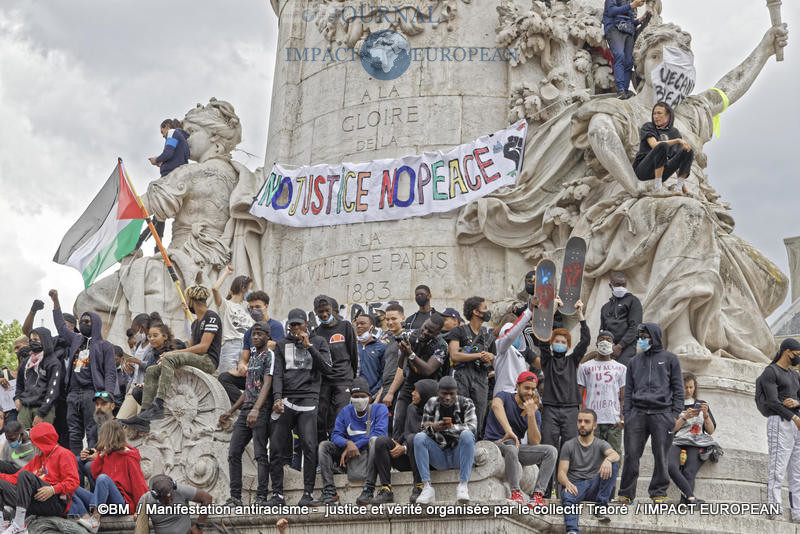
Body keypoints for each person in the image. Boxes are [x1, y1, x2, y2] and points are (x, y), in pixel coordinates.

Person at [120, 285, 221, 431]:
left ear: (191, 301)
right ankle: (145, 414)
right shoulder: (196, 324)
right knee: (152, 370)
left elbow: (204, 347)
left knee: (168, 358)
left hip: (208, 361)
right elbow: (190, 350)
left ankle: (159, 403)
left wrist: (173, 354)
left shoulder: (211, 317)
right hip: (196, 359)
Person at [268, 309, 333, 507]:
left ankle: (307, 493)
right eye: (293, 325)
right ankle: (277, 494)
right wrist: (277, 397)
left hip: (309, 400)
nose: (296, 328)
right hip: (286, 400)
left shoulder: (319, 341)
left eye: (299, 324)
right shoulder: (281, 345)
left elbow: (328, 369)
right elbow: (277, 373)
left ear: (306, 323)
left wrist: (309, 346)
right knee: (277, 447)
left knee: (309, 446)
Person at [617, 323, 683, 504]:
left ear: (654, 337)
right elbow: (628, 391)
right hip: (636, 414)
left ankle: (658, 493)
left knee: (661, 455)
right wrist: (627, 414)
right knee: (631, 454)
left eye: (644, 336)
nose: (641, 340)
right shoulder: (633, 362)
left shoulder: (670, 359)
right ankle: (625, 494)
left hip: (662, 414)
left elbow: (678, 388)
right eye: (639, 337)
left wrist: (674, 414)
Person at [49, 290, 116, 457]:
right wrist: (56, 301)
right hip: (72, 394)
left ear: (96, 324)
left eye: (87, 321)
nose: (83, 324)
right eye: (82, 321)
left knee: (93, 432)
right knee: (74, 434)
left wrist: (106, 397)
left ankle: (91, 467)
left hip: (91, 393)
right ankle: (76, 470)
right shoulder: (77, 339)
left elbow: (110, 373)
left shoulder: (104, 346)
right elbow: (61, 326)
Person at [535, 300, 589, 493]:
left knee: (568, 451)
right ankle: (545, 491)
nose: (559, 344)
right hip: (550, 410)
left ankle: (566, 489)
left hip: (570, 410)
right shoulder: (547, 361)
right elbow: (541, 339)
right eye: (556, 341)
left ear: (567, 345)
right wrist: (552, 312)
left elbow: (585, 341)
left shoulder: (573, 360)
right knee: (548, 449)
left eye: (563, 342)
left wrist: (580, 316)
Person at [218, 322, 274, 507]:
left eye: (259, 334)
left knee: (259, 454)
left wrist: (256, 409)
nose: (255, 337)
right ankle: (235, 497)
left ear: (267, 336)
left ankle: (261, 497)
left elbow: (266, 384)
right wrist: (231, 410)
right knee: (234, 452)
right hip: (245, 411)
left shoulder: (269, 356)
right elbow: (248, 389)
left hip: (261, 410)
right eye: (253, 335)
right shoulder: (253, 359)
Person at [484, 371, 556, 508]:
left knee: (551, 451)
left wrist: (531, 416)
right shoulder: (504, 396)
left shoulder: (533, 411)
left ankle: (537, 496)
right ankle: (515, 493)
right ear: (517, 387)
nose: (530, 392)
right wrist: (509, 430)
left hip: (516, 446)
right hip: (495, 442)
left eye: (533, 389)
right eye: (526, 388)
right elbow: (495, 405)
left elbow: (535, 442)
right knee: (511, 448)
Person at [316, 377, 389, 505]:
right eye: (355, 396)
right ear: (350, 398)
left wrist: (355, 445)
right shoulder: (346, 411)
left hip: (370, 454)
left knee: (374, 440)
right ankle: (330, 491)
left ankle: (369, 489)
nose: (359, 400)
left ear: (370, 397)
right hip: (351, 453)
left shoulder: (380, 409)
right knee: (324, 446)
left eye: (362, 396)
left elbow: (380, 433)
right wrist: (347, 443)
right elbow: (335, 434)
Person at [70, 420, 149, 533]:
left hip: (122, 505)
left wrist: (141, 510)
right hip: (104, 504)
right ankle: (86, 517)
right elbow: (95, 473)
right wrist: (101, 456)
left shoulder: (129, 457)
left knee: (103, 478)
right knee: (71, 488)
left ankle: (95, 519)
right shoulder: (108, 454)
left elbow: (139, 486)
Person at [0, 423, 79, 534]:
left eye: (34, 442)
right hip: (36, 499)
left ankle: (19, 523)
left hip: (56, 502)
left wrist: (53, 489)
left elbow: (74, 482)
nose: (32, 445)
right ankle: (1, 526)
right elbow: (15, 477)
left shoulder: (64, 454)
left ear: (43, 442)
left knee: (25, 475)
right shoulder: (39, 458)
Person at [368, 379, 436, 504]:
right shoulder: (412, 408)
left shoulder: (438, 411)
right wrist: (399, 445)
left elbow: (429, 438)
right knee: (381, 441)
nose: (412, 393)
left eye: (416, 391)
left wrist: (404, 448)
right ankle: (386, 489)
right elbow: (407, 432)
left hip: (429, 461)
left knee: (414, 439)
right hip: (409, 456)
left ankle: (419, 486)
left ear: (426, 394)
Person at [756, 338, 800, 520]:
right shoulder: (770, 372)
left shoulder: (794, 375)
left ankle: (797, 512)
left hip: (796, 425)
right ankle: (774, 509)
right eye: (797, 355)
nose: (799, 358)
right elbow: (772, 402)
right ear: (787, 352)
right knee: (777, 468)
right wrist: (794, 416)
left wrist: (797, 403)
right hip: (780, 422)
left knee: (797, 472)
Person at [414, 376, 476, 504]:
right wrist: (434, 427)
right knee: (419, 438)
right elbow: (423, 430)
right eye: (444, 394)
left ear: (456, 392)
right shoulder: (431, 403)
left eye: (451, 394)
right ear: (438, 392)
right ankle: (427, 487)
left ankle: (463, 485)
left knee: (467, 435)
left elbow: (472, 427)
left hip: (459, 456)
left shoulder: (467, 403)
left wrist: (451, 428)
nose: (448, 397)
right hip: (439, 456)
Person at [558, 409, 621, 534]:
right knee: (567, 495)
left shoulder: (601, 444)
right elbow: (561, 473)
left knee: (613, 463)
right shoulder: (569, 445)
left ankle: (601, 507)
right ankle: (572, 531)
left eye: (586, 421)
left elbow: (616, 455)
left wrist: (608, 460)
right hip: (576, 486)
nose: (582, 424)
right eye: (580, 421)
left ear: (594, 425)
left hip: (595, 485)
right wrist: (567, 483)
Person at [388, 316, 449, 443]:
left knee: (420, 424)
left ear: (437, 333)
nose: (425, 332)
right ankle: (396, 446)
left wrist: (411, 354)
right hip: (410, 384)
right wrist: (404, 352)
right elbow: (400, 365)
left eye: (430, 331)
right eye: (425, 328)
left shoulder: (441, 345)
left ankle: (413, 449)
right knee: (399, 418)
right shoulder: (410, 335)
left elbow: (428, 370)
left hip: (429, 388)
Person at [218, 291, 284, 405]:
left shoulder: (275, 326)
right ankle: (245, 406)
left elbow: (270, 346)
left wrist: (249, 366)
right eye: (251, 307)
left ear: (266, 306)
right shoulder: (249, 332)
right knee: (224, 378)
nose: (254, 310)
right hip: (252, 376)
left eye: (257, 307)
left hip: (267, 375)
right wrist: (242, 366)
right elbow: (244, 357)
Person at [137, 119, 190, 251]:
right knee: (160, 215)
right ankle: (155, 246)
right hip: (179, 177)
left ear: (166, 126)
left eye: (162, 131)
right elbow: (177, 157)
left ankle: (142, 244)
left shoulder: (172, 132)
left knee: (156, 207)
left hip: (170, 178)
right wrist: (164, 163)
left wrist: (157, 160)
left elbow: (168, 152)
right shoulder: (183, 139)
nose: (162, 135)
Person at [446, 296, 495, 437]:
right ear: (476, 312)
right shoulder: (459, 331)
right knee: (460, 414)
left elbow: (495, 360)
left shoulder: (488, 335)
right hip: (462, 377)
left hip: (482, 379)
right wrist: (479, 355)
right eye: (484, 308)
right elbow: (454, 355)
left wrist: (491, 357)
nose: (487, 311)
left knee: (479, 416)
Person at [312, 295, 357, 445]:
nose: (324, 314)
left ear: (332, 310)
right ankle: (324, 452)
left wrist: (352, 377)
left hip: (343, 380)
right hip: (324, 382)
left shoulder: (345, 326)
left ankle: (339, 455)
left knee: (340, 417)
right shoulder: (316, 333)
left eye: (326, 310)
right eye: (320, 312)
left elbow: (353, 354)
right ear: (315, 312)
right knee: (320, 418)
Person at [667, 372, 714, 504]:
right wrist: (684, 417)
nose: (688, 390)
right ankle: (691, 498)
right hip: (677, 441)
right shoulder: (673, 405)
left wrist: (705, 416)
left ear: (695, 388)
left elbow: (710, 431)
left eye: (691, 387)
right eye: (685, 387)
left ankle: (685, 502)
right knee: (670, 467)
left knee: (689, 472)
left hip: (697, 442)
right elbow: (671, 429)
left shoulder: (701, 403)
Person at [577, 330, 626, 455]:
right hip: (592, 420)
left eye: (608, 340)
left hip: (613, 419)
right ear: (597, 343)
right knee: (591, 454)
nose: (605, 342)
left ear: (613, 344)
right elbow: (579, 392)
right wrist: (580, 414)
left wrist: (621, 417)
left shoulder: (621, 368)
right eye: (602, 340)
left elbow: (623, 396)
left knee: (614, 454)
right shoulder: (585, 367)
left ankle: (613, 475)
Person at [632, 102, 695, 193]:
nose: (656, 116)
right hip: (643, 170)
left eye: (659, 113)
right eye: (654, 113)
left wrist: (685, 191)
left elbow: (677, 163)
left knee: (688, 151)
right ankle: (658, 188)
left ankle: (679, 188)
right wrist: (677, 141)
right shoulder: (648, 126)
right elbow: (654, 145)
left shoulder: (674, 133)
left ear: (668, 115)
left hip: (663, 173)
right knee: (662, 145)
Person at [14, 327, 61, 430]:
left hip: (43, 410)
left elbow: (53, 391)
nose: (32, 342)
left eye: (36, 340)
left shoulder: (53, 363)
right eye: (31, 340)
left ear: (45, 340)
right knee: (23, 442)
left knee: (41, 442)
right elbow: (19, 384)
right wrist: (17, 398)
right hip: (25, 407)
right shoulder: (26, 362)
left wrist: (41, 413)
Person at [134, 474, 212, 534]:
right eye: (164, 501)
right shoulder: (146, 499)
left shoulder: (181, 490)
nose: (169, 503)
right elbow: (140, 519)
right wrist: (138, 515)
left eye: (171, 498)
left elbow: (207, 498)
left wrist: (199, 526)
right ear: (156, 496)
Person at [117, 313, 160, 420]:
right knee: (121, 420)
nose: (134, 333)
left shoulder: (154, 344)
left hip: (144, 389)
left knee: (142, 426)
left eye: (135, 329)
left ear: (142, 327)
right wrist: (129, 367)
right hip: (133, 386)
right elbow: (135, 370)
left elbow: (154, 366)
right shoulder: (139, 344)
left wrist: (138, 362)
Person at [211, 267, 255, 373]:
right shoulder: (226, 305)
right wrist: (226, 273)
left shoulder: (248, 307)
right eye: (250, 288)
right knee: (226, 380)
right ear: (243, 288)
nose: (251, 292)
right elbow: (215, 289)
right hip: (230, 347)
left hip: (248, 348)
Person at [492, 297, 538, 396]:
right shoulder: (500, 346)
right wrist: (529, 311)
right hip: (504, 395)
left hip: (519, 395)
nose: (514, 337)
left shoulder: (520, 354)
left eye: (517, 335)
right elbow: (510, 336)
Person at [602, 0, 646, 99]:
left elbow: (630, 21)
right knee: (619, 56)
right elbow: (611, 11)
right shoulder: (630, 3)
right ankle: (620, 89)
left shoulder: (631, 3)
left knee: (629, 62)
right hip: (615, 28)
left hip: (628, 30)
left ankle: (624, 92)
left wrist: (641, 19)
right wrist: (632, 5)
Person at [599, 272, 642, 366]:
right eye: (618, 285)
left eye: (623, 284)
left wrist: (619, 346)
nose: (621, 287)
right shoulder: (605, 307)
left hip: (626, 349)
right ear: (611, 285)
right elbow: (602, 329)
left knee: (623, 376)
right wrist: (605, 345)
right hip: (608, 349)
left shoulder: (633, 301)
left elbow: (635, 327)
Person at [355, 314, 390, 400]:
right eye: (357, 324)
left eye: (362, 323)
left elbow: (384, 374)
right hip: (353, 395)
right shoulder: (352, 346)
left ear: (372, 327)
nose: (359, 326)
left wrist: (373, 394)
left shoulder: (382, 347)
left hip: (373, 396)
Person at [113, 346, 130, 411]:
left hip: (120, 404)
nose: (112, 362)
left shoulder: (126, 372)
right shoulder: (104, 370)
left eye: (115, 359)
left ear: (122, 359)